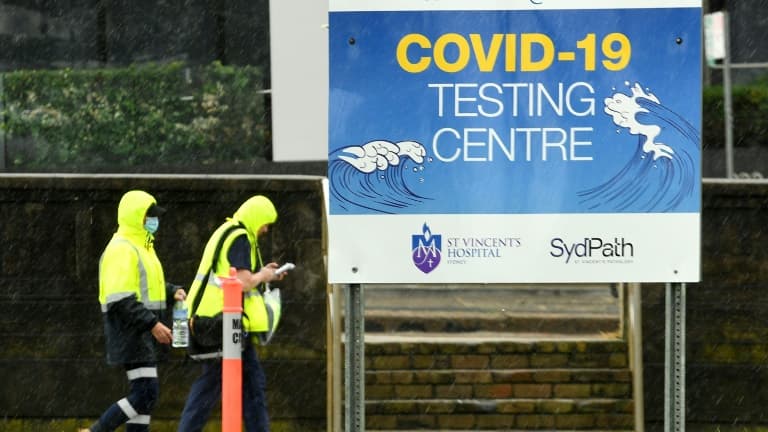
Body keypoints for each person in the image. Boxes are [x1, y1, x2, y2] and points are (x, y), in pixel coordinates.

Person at [178, 195, 287, 432]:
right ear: (256, 218)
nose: (265, 230)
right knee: (213, 386)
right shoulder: (239, 237)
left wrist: (262, 272)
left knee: (250, 384)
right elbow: (242, 282)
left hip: (225, 323)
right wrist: (264, 276)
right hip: (222, 324)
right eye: (265, 223)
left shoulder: (228, 231)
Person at [80, 190, 186, 432]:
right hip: (132, 333)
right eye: (150, 216)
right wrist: (153, 324)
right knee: (145, 393)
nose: (155, 221)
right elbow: (120, 299)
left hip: (140, 333)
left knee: (145, 397)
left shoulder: (143, 247)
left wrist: (172, 292)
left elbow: (147, 286)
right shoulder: (122, 248)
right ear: (137, 217)